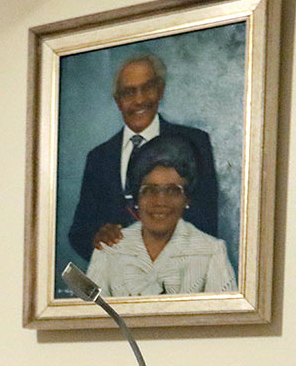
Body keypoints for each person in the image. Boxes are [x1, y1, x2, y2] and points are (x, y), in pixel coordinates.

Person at [66, 53, 219, 262]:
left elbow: (207, 221)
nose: (139, 100)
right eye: (129, 92)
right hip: (120, 283)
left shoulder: (195, 143)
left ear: (160, 91)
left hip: (181, 280)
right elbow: (79, 232)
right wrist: (98, 239)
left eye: (147, 88)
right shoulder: (98, 158)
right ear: (118, 101)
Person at [85, 135, 236, 296]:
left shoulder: (212, 252)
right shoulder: (108, 250)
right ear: (137, 198)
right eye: (150, 190)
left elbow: (225, 319)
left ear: (187, 198)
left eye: (172, 190)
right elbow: (89, 318)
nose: (160, 201)